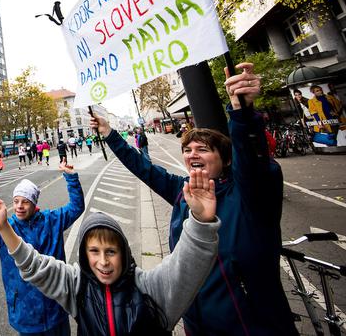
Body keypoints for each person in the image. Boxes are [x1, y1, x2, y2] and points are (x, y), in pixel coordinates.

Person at [90, 62, 298, 335]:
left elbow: (253, 161)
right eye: (187, 149)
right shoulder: (182, 191)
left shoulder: (249, 193)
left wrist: (242, 112)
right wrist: (109, 133)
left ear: (224, 159)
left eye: (203, 149)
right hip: (197, 324)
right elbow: (144, 169)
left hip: (251, 326)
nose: (192, 154)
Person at [0, 167, 220, 335]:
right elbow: (34, 265)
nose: (103, 262)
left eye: (111, 251)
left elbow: (187, 267)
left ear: (125, 253)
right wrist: (3, 227)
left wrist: (200, 222)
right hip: (26, 317)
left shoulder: (150, 291)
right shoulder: (77, 287)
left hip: (54, 316)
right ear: (85, 255)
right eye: (94, 251)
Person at [0, 162, 85, 335]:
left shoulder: (52, 220)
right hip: (25, 315)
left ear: (34, 203)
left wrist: (71, 177)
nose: (19, 206)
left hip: (56, 308)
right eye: (16, 201)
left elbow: (76, 207)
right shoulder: (5, 228)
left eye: (25, 201)